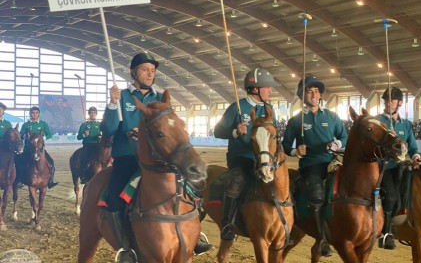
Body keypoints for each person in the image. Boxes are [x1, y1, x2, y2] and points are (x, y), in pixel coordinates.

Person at [101, 52, 212, 262]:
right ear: (134, 72)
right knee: (115, 198)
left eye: (152, 70)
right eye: (145, 69)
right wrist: (112, 104)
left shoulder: (160, 99)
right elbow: (108, 130)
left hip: (160, 161)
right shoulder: (122, 97)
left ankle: (195, 236)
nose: (150, 74)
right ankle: (127, 248)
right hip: (128, 158)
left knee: (193, 191)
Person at [282, 76, 348, 257]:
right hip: (311, 165)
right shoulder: (297, 120)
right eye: (309, 91)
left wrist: (336, 145)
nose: (314, 94)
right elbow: (285, 145)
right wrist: (296, 151)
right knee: (318, 195)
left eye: (316, 91)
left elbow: (345, 137)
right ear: (302, 96)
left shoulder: (332, 117)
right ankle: (322, 239)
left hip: (333, 162)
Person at [214, 67, 277, 242]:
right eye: (267, 87)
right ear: (256, 88)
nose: (270, 90)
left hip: (265, 159)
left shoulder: (270, 109)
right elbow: (217, 131)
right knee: (236, 181)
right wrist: (235, 131)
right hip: (241, 159)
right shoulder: (237, 107)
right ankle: (228, 224)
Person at [376, 86, 421, 250]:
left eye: (391, 100)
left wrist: (416, 157)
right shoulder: (378, 122)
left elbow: (414, 148)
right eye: (386, 100)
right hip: (384, 167)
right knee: (392, 197)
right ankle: (385, 233)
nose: (388, 103)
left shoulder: (406, 125)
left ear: (399, 103)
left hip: (402, 167)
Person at [19, 106, 58, 188]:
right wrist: (25, 135)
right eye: (33, 113)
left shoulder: (43, 124)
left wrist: (42, 139)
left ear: (39, 114)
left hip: (40, 149)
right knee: (20, 162)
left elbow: (49, 134)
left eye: (36, 113)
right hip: (28, 149)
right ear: (30, 114)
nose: (34, 114)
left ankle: (50, 180)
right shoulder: (26, 125)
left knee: (51, 162)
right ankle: (20, 180)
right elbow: (21, 135)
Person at [76, 106, 102, 184]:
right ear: (89, 114)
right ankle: (83, 176)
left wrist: (100, 137)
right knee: (83, 159)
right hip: (87, 145)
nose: (92, 114)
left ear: (96, 114)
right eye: (91, 113)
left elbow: (103, 134)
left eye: (94, 113)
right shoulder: (84, 124)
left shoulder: (100, 124)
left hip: (97, 145)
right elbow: (78, 137)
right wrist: (84, 134)